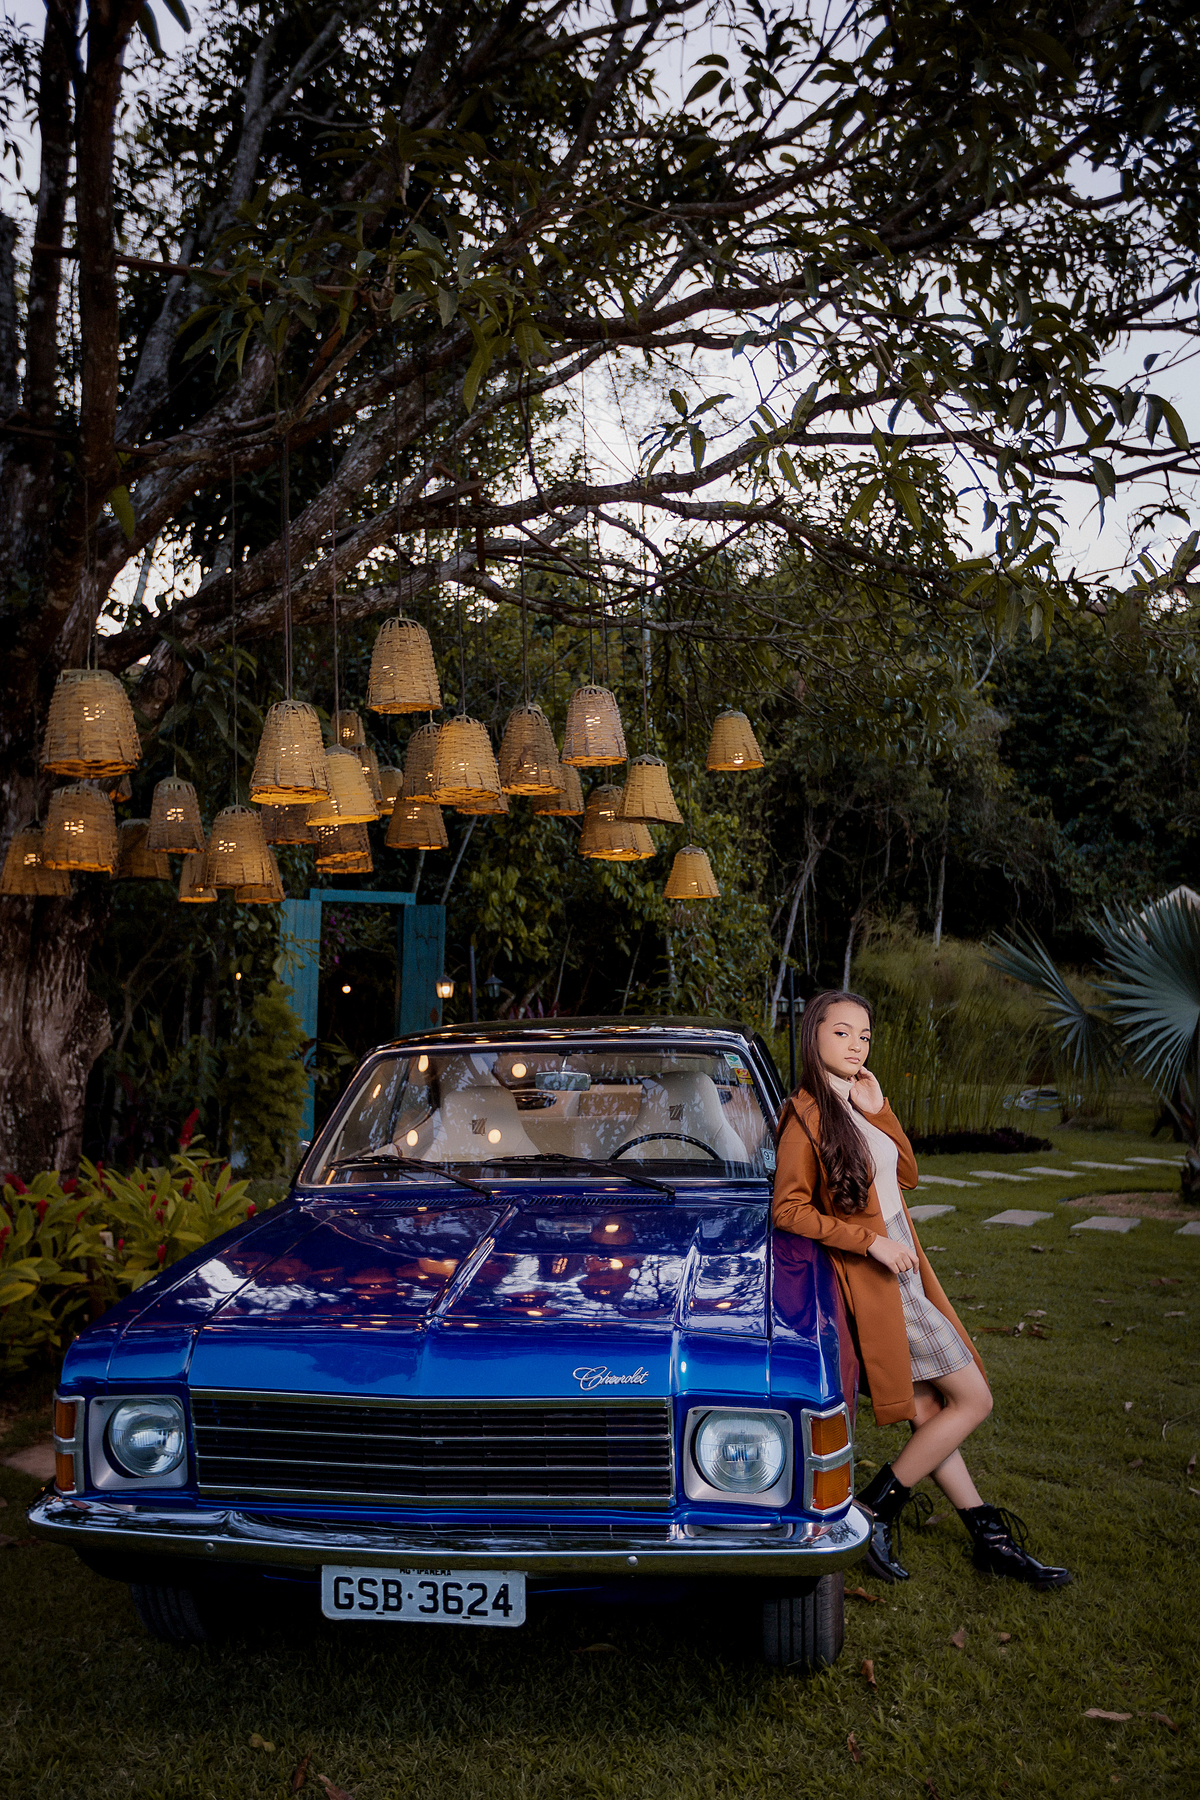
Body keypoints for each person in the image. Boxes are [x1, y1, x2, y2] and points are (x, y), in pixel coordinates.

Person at [773, 988, 1070, 1590]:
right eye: (841, 1033)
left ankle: (989, 1538)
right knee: (974, 1399)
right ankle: (873, 1510)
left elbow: (906, 1173)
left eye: (864, 1036)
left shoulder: (856, 1100)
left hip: (904, 1262)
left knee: (932, 1411)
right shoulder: (805, 1115)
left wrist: (879, 1109)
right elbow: (788, 1210)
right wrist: (871, 1244)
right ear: (813, 1034)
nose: (856, 1045)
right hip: (879, 1277)